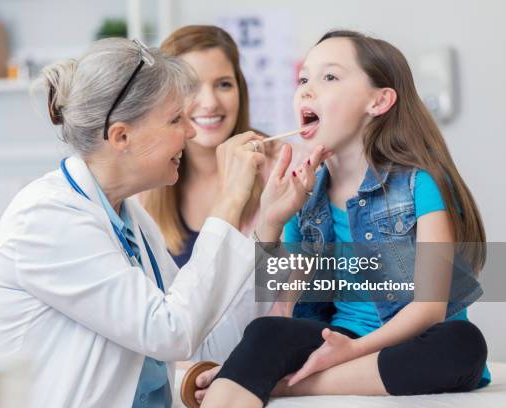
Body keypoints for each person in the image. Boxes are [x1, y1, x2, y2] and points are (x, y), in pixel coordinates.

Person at [0, 37, 310, 408]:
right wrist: (230, 199)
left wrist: (268, 224)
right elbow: (172, 332)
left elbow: (209, 338)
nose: (189, 132)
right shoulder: (45, 220)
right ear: (121, 136)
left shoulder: (129, 218)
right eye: (174, 120)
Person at [185, 30, 490, 408]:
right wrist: (274, 218)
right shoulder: (305, 196)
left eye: (329, 77)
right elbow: (283, 302)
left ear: (379, 101)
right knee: (267, 331)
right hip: (335, 336)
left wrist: (352, 350)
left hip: (410, 342)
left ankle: (287, 385)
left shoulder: (419, 185)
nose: (307, 90)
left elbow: (429, 309)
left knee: (463, 345)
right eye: (303, 79)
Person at [141, 25, 279, 268]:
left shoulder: (286, 167)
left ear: (240, 90)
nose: (210, 103)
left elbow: (296, 290)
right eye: (190, 87)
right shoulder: (143, 186)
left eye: (223, 84)